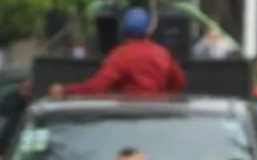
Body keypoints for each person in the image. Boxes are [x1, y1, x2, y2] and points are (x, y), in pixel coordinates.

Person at [52, 7, 188, 96]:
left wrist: (65, 90)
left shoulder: (120, 55)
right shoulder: (162, 53)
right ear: (148, 29)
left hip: (128, 115)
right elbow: (179, 82)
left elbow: (97, 86)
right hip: (157, 116)